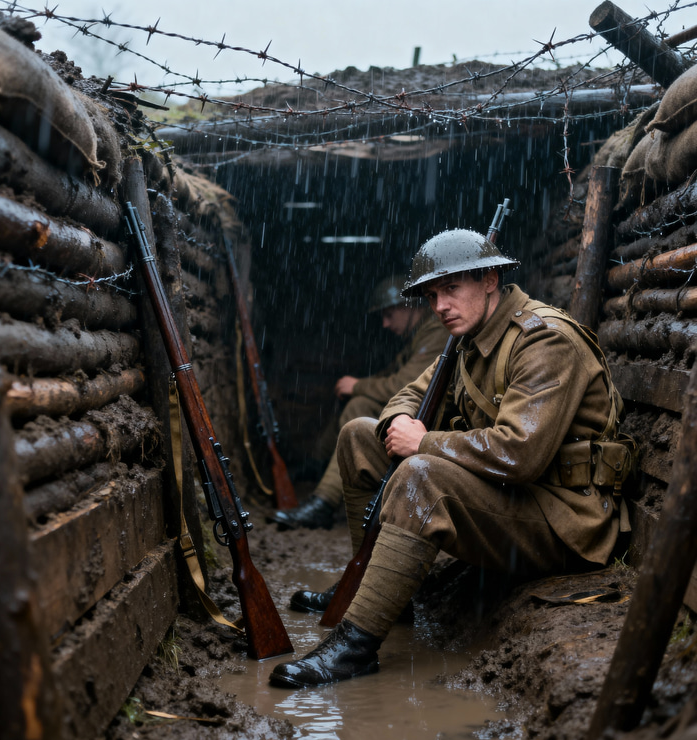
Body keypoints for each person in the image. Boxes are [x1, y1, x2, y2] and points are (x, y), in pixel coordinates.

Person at [269, 228, 635, 689]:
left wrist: (423, 442)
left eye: (451, 289)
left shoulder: (544, 341)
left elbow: (519, 454)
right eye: (431, 295)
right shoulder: (467, 340)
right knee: (359, 435)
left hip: (567, 519)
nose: (439, 305)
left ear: (490, 279)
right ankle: (382, 595)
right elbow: (406, 395)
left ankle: (354, 649)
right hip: (515, 500)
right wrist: (401, 423)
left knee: (422, 475)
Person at [268, 275, 447, 532]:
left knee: (358, 406)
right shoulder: (422, 333)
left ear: (407, 307)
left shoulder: (435, 332)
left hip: (432, 424)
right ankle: (319, 465)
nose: (384, 324)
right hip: (417, 415)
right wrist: (356, 384)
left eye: (388, 314)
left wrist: (358, 386)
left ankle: (323, 502)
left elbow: (404, 383)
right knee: (355, 400)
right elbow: (391, 373)